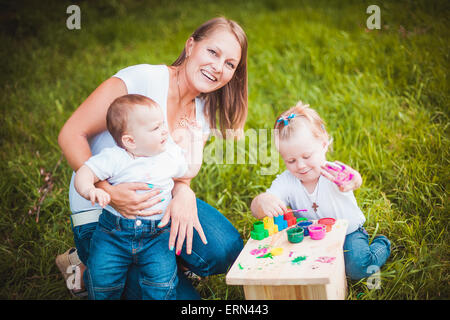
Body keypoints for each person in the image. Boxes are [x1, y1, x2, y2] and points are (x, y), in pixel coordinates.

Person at [56, 17, 247, 299]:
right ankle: (84, 269)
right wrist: (109, 192)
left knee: (226, 249)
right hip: (104, 216)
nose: (218, 68)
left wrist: (184, 193)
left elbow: (179, 174)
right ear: (191, 45)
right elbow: (72, 134)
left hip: (156, 209)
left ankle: (161, 265)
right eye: (213, 52)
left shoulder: (204, 110)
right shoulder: (142, 80)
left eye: (230, 64)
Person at [74, 94, 204, 299]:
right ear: (130, 141)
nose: (164, 130)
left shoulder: (168, 155)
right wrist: (91, 190)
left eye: (162, 124)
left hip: (158, 235)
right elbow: (84, 173)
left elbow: (190, 170)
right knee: (102, 283)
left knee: (161, 286)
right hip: (113, 233)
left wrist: (196, 140)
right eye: (155, 128)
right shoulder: (115, 158)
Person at [250, 101, 391, 280]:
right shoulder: (287, 181)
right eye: (291, 161)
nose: (300, 166)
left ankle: (382, 244)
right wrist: (262, 201)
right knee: (297, 266)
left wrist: (353, 180)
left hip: (348, 233)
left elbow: (355, 180)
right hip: (311, 237)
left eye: (306, 156)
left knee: (357, 268)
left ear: (323, 145)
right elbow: (258, 207)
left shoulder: (331, 172)